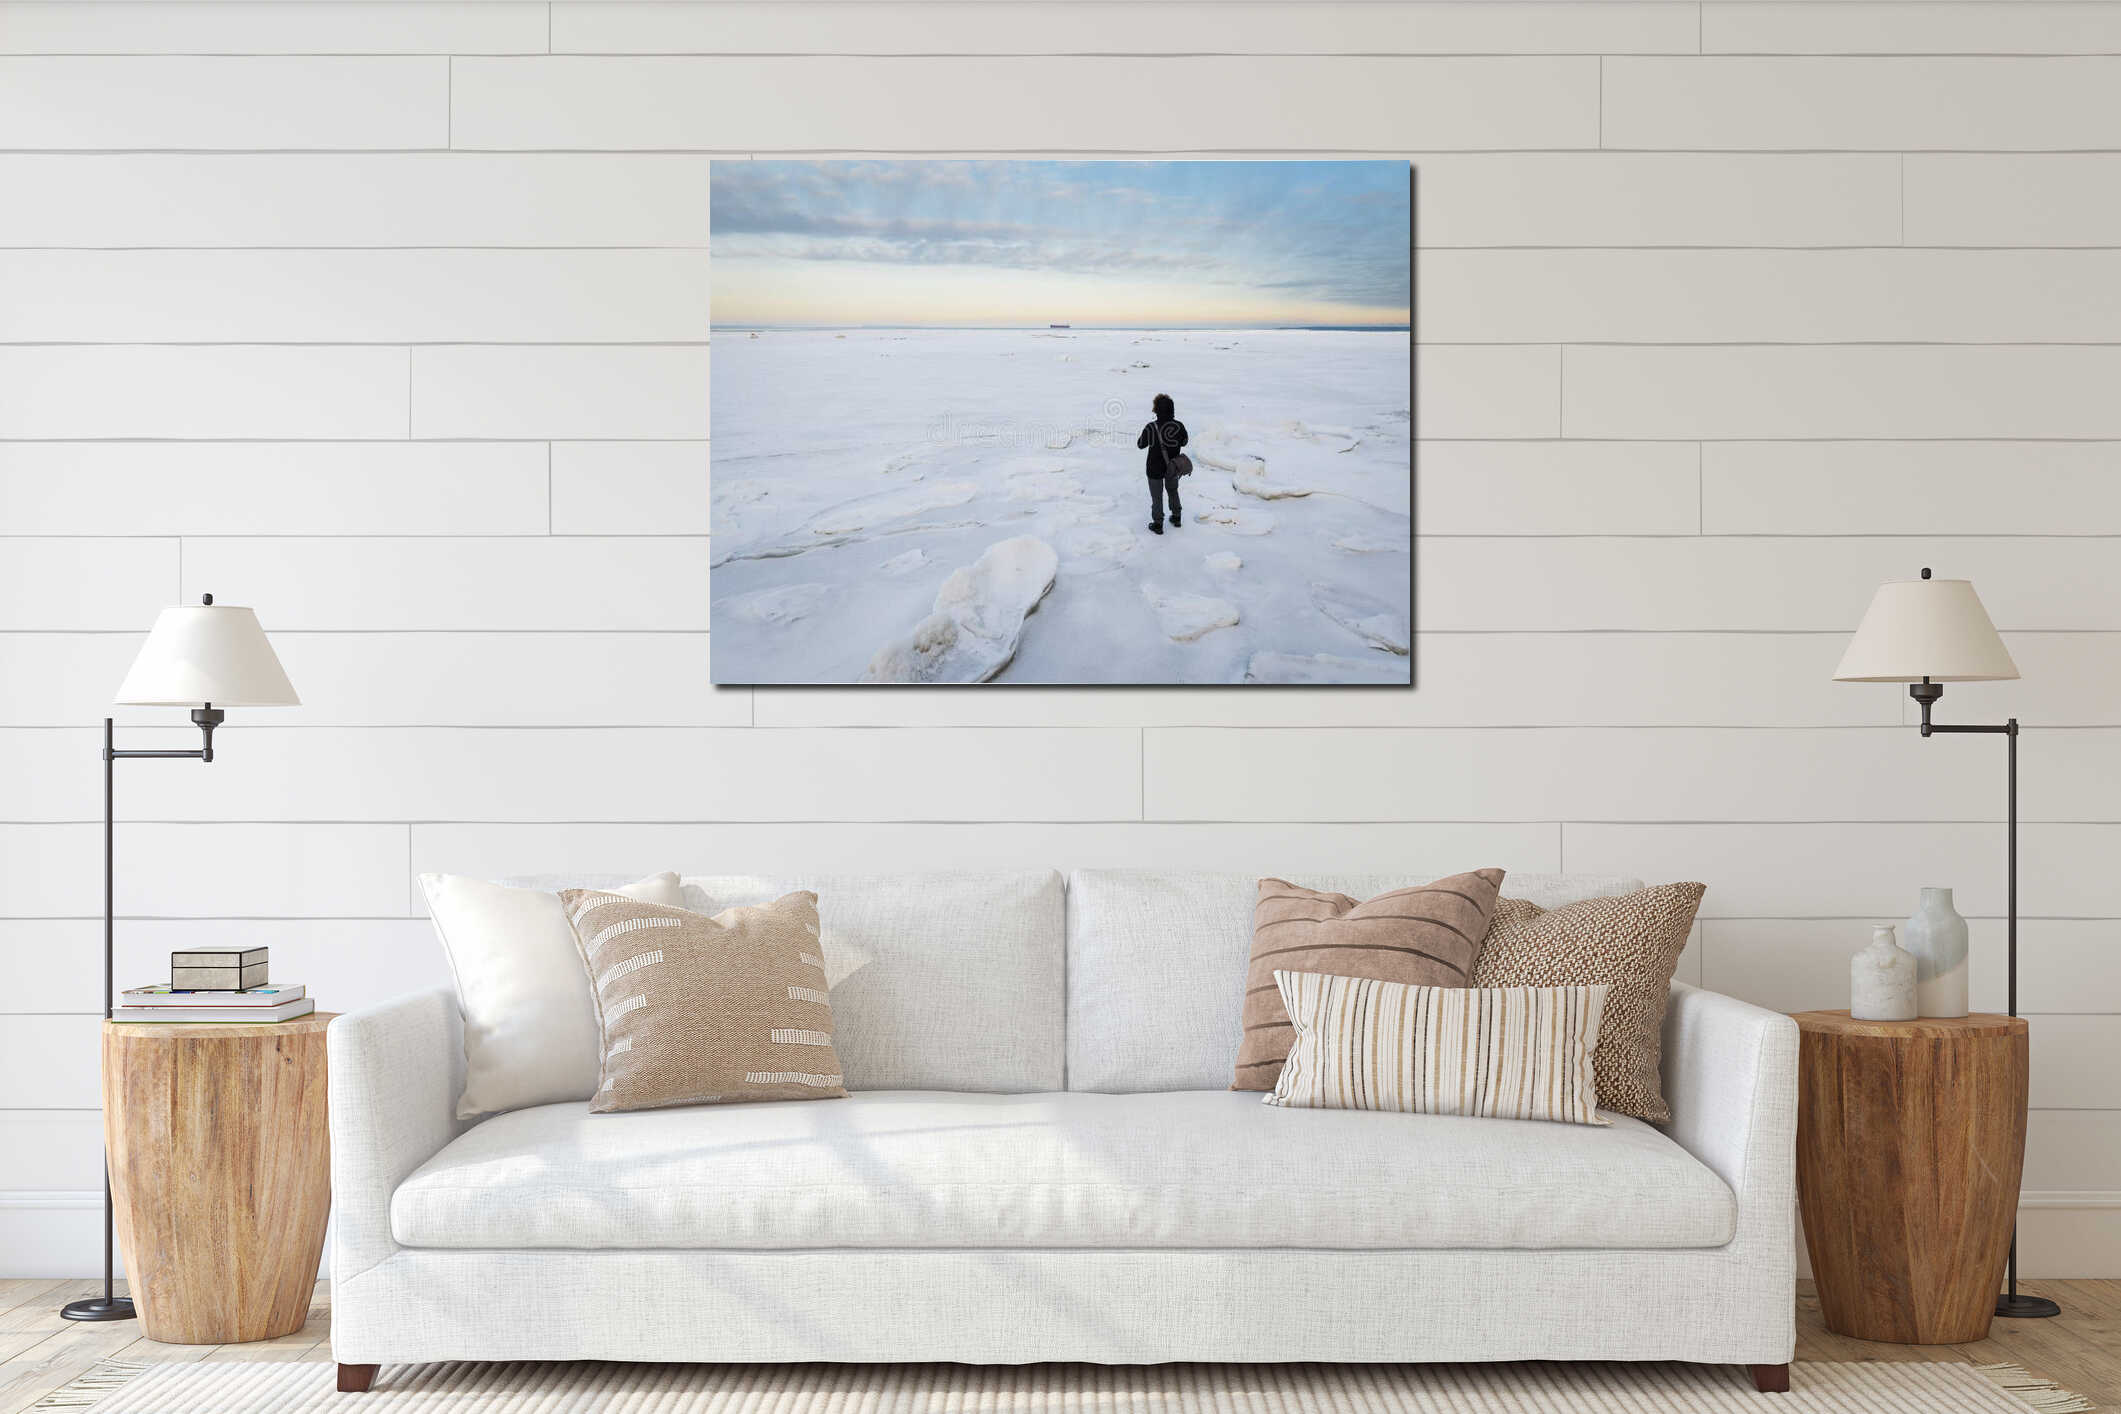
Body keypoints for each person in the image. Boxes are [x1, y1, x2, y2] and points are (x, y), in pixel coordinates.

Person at [1137, 392, 1187, 535]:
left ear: (1156, 410)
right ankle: (1176, 517)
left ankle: (1158, 524)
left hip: (1154, 468)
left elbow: (1140, 445)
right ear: (1172, 410)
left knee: (1157, 496)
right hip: (1172, 466)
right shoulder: (1179, 425)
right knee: (1172, 490)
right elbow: (1185, 441)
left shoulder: (1151, 427)